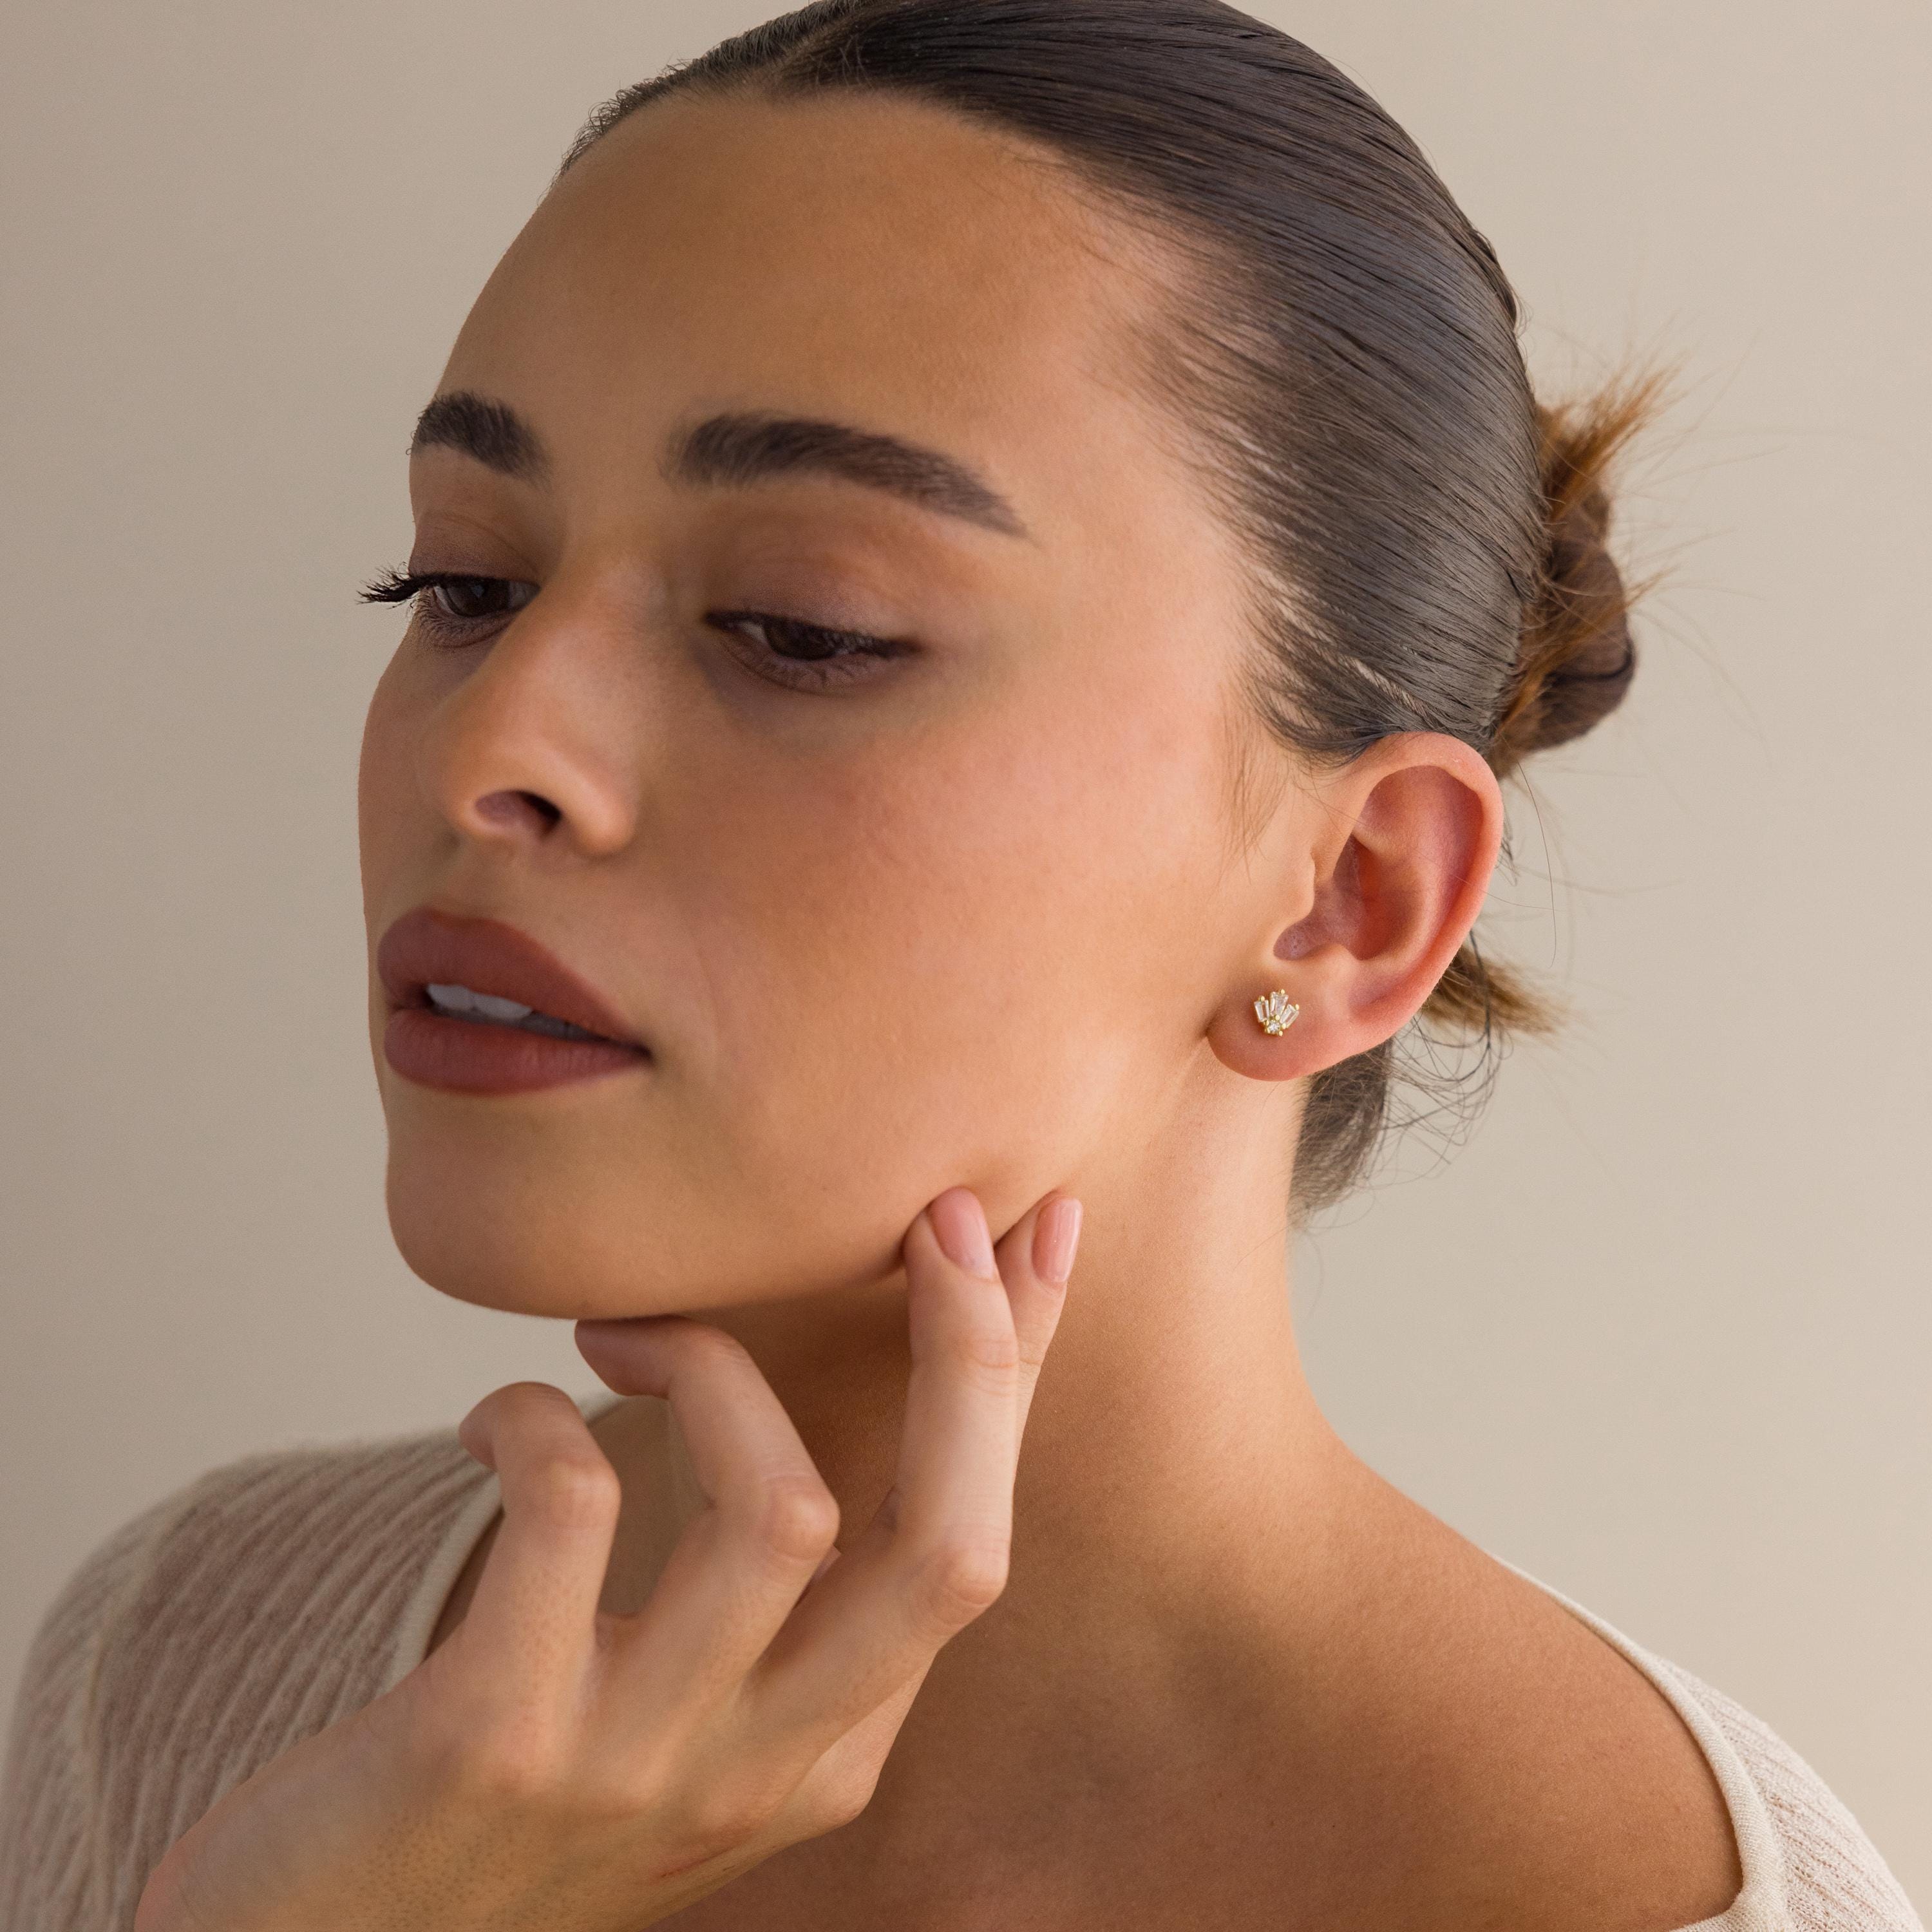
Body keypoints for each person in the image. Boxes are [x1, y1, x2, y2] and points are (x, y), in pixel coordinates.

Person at [1, 3, 1920, 1927]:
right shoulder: (188, 1666)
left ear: (1352, 902)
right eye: (464, 583)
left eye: (799, 626)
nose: (498, 739)